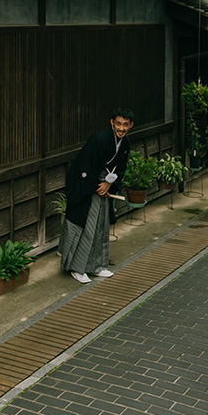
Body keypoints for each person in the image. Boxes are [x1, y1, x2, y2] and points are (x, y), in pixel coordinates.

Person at [60, 108, 134, 284]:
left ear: (131, 125)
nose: (121, 128)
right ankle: (77, 268)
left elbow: (120, 168)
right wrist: (97, 186)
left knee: (100, 227)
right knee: (87, 227)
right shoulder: (101, 139)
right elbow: (84, 165)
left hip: (102, 187)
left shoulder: (124, 143)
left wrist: (109, 184)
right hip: (87, 186)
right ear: (111, 122)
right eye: (118, 124)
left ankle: (97, 266)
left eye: (125, 125)